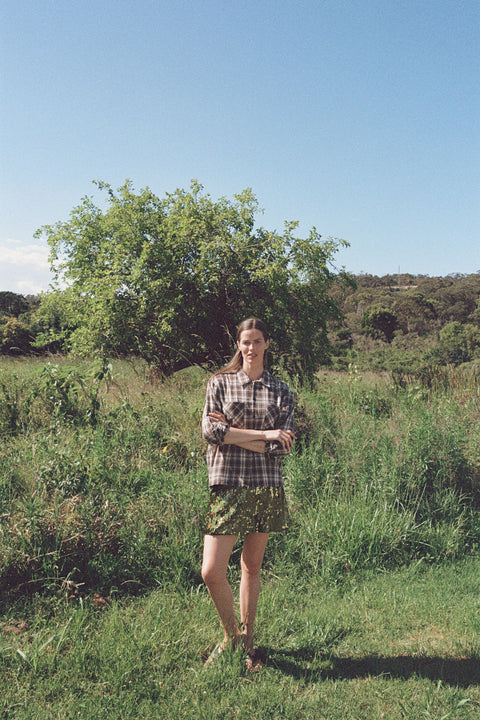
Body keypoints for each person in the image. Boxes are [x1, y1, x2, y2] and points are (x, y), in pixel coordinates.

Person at [201, 317, 295, 669]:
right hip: (227, 484)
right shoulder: (220, 383)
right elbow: (211, 431)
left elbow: (281, 448)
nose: (251, 348)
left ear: (267, 344)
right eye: (246, 342)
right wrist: (266, 435)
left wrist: (237, 435)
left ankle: (249, 644)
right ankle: (231, 636)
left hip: (266, 487)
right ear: (238, 345)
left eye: (257, 341)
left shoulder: (282, 391)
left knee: (251, 567)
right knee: (211, 570)